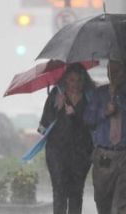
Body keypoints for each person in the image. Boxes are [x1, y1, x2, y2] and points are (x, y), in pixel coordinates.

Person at [84, 59, 126, 214]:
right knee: (103, 202)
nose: (112, 75)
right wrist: (104, 112)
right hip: (104, 156)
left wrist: (118, 97)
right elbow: (88, 118)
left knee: (125, 202)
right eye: (109, 71)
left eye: (116, 71)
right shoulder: (99, 93)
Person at [38, 63, 95, 214]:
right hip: (57, 151)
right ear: (65, 81)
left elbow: (94, 123)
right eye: (71, 80)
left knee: (77, 191)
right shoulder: (56, 95)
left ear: (84, 81)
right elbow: (43, 126)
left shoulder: (91, 97)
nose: (75, 84)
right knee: (59, 190)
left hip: (82, 152)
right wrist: (57, 109)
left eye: (79, 80)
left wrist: (75, 115)